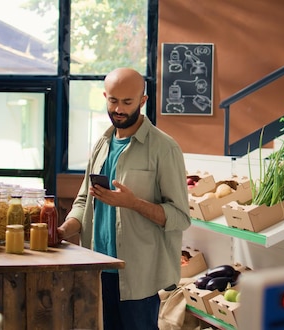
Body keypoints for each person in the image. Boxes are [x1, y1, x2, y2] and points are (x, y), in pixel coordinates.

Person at [57, 67, 191, 330]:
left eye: (127, 102)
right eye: (113, 101)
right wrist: (61, 231)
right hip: (96, 270)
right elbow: (84, 201)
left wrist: (133, 203)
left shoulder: (164, 148)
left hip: (138, 277)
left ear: (142, 101)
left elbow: (180, 217)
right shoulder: (101, 144)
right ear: (105, 96)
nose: (118, 109)